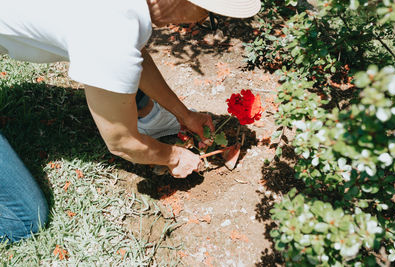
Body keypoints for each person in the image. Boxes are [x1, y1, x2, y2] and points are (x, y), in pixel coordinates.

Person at [0, 0, 261, 243]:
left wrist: (185, 114)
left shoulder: (123, 18)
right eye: (209, 15)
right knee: (23, 220)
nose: (204, 21)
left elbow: (133, 54)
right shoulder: (111, 31)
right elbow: (121, 142)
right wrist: (174, 158)